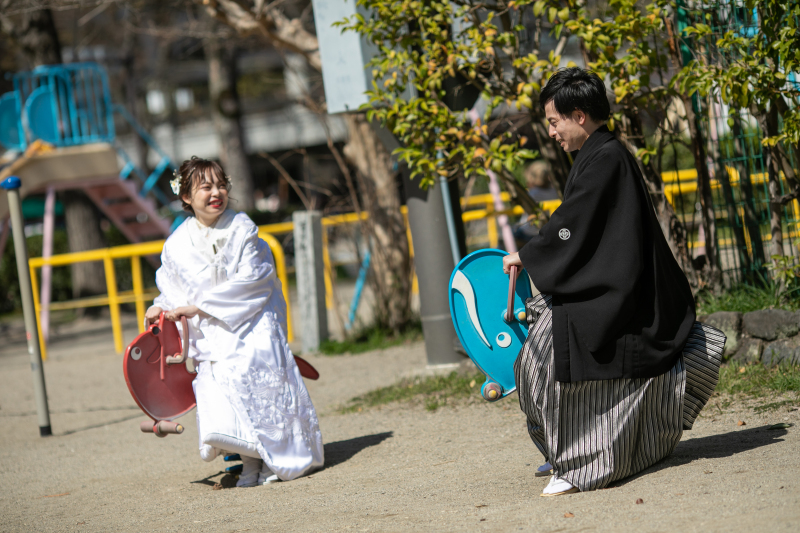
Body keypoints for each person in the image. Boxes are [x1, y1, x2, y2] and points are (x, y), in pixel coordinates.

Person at [502, 68, 725, 496]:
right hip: (615, 284)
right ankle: (566, 449)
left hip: (628, 294)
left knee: (550, 347)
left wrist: (529, 254)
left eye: (553, 121)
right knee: (538, 354)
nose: (551, 132)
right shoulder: (600, 154)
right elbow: (579, 226)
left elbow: (573, 225)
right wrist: (538, 254)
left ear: (579, 115)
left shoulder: (606, 157)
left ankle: (583, 462)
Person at [145, 157, 324, 487]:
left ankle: (279, 460)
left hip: (252, 324)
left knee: (260, 385)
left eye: (221, 185)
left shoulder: (242, 228)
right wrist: (161, 306)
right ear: (186, 196)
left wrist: (199, 307)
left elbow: (254, 279)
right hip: (212, 333)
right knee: (222, 394)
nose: (217, 192)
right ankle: (251, 463)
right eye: (206, 187)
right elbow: (173, 288)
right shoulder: (175, 245)